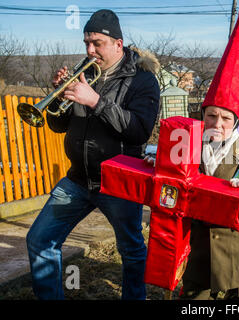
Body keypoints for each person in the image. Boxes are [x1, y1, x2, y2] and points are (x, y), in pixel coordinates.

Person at [26, 9, 160, 300]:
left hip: (119, 182)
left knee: (131, 249)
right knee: (39, 240)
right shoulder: (84, 73)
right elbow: (58, 125)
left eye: (97, 43)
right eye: (86, 42)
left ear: (117, 44)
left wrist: (96, 101)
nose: (89, 49)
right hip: (78, 179)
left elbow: (138, 131)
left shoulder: (142, 80)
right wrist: (58, 99)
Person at [176, 105, 239, 300]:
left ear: (236, 122)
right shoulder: (185, 149)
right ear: (202, 116)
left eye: (226, 118)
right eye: (212, 116)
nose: (217, 124)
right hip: (198, 251)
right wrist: (161, 168)